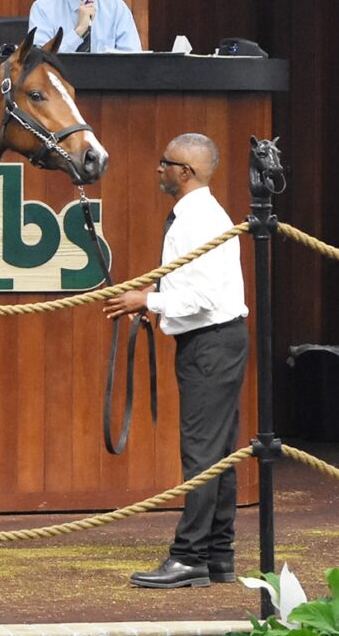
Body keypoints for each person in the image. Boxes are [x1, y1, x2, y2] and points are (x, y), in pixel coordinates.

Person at [104, 133, 248, 589]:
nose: (157, 169)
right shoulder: (203, 214)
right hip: (218, 341)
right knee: (219, 452)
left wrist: (149, 301)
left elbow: (203, 295)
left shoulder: (195, 220)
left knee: (203, 454)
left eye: (164, 163)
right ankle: (217, 555)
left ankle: (189, 557)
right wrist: (154, 299)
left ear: (183, 172)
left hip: (211, 343)